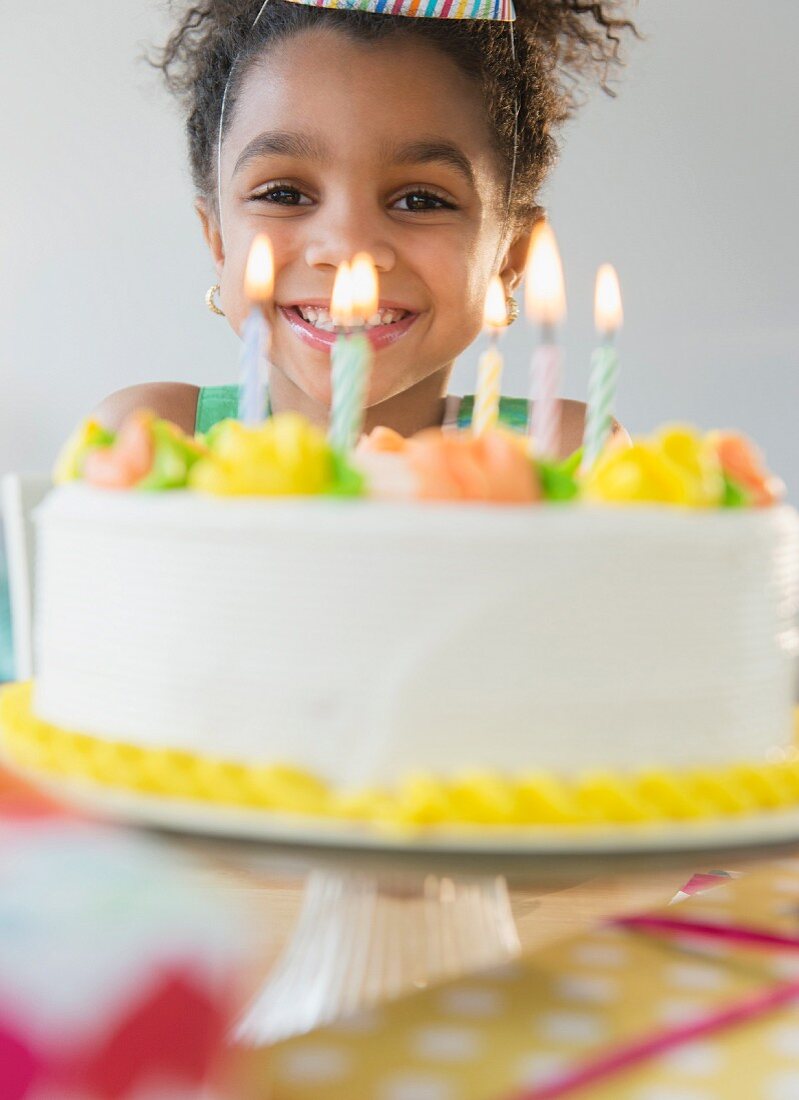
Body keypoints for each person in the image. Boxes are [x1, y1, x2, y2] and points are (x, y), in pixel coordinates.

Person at [96, 0, 635, 451]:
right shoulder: (152, 439)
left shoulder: (559, 453)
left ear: (512, 257)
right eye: (284, 194)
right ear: (216, 237)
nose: (350, 249)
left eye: (421, 201)